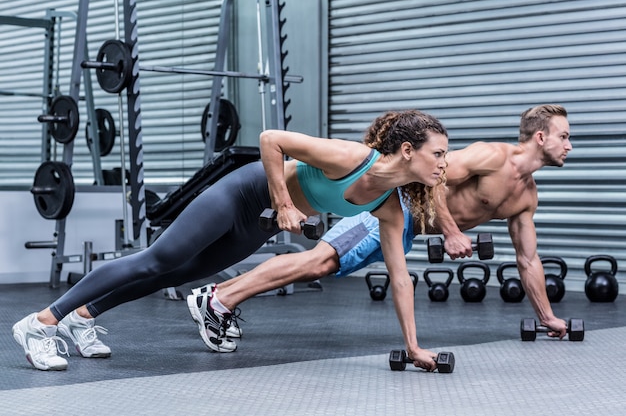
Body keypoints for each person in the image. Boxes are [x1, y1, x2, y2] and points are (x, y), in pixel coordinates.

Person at [12, 109, 449, 371]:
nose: (444, 164)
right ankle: (41, 323)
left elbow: (400, 278)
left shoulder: (390, 206)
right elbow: (271, 139)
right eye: (439, 154)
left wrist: (413, 347)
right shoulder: (353, 159)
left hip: (258, 222)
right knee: (158, 257)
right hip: (242, 193)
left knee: (182, 271)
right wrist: (282, 203)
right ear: (408, 150)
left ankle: (84, 315)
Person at [187, 103, 572, 355]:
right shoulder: (492, 157)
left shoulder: (526, 197)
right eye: (564, 136)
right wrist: (452, 231)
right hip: (392, 205)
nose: (569, 145)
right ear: (541, 137)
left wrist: (547, 318)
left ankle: (218, 295)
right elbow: (430, 178)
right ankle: (219, 298)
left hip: (404, 229)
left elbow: (528, 258)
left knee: (322, 263)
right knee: (321, 262)